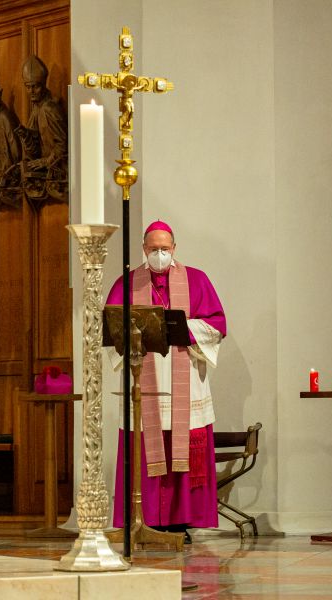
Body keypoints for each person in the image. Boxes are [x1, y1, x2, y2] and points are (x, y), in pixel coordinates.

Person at [107, 221, 226, 543]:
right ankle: (142, 520)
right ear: (144, 249)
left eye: (165, 248)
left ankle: (179, 522)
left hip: (183, 375)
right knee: (144, 447)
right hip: (144, 378)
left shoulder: (196, 280)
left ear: (174, 248)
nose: (159, 254)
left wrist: (182, 329)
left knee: (182, 447)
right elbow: (111, 325)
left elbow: (217, 323)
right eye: (153, 248)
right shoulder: (128, 283)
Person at [16, 55, 67, 173]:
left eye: (36, 86)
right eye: (28, 87)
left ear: (43, 85)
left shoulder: (50, 109)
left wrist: (45, 161)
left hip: (56, 171)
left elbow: (62, 145)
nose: (31, 91)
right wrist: (26, 136)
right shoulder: (36, 109)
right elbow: (36, 148)